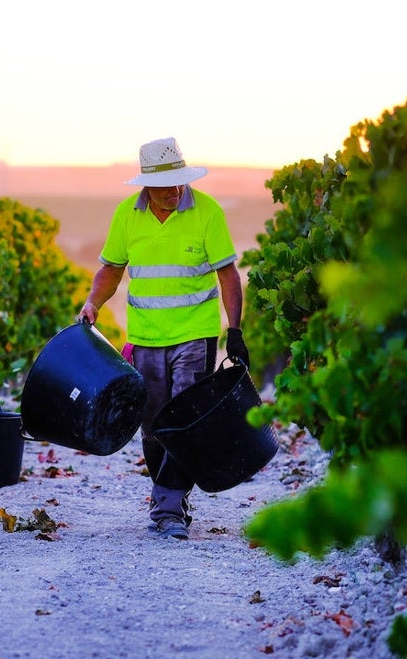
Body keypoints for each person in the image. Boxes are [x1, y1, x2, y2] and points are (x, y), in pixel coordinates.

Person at [78, 137, 249, 540]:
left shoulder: (207, 211)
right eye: (166, 186)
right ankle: (169, 493)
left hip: (196, 335)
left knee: (185, 419)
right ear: (146, 187)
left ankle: (168, 505)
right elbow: (111, 271)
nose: (175, 192)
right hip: (146, 337)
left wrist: (235, 330)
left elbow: (228, 275)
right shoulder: (127, 215)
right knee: (152, 426)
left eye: (179, 183)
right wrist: (92, 303)